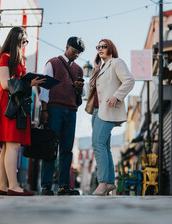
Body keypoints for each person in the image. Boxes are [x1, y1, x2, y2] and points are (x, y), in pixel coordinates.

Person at [0, 27, 45, 196]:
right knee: (12, 144)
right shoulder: (5, 57)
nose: (25, 44)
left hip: (16, 103)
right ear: (16, 40)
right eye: (23, 41)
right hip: (8, 103)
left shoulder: (18, 59)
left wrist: (30, 82)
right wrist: (29, 83)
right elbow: (5, 84)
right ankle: (13, 186)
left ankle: (3, 186)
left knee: (7, 146)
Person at [85, 39, 135, 196]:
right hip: (97, 110)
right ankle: (110, 183)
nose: (100, 49)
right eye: (98, 47)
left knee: (98, 143)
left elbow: (129, 80)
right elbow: (92, 86)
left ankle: (103, 183)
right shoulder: (102, 67)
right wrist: (96, 68)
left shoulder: (116, 62)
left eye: (103, 46)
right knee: (104, 146)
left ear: (111, 48)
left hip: (108, 109)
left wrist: (117, 96)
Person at [39, 37, 85, 196]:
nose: (76, 55)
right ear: (67, 47)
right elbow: (45, 88)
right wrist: (44, 111)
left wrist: (80, 88)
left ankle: (64, 186)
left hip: (71, 111)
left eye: (79, 53)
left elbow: (83, 95)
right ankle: (46, 186)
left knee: (67, 149)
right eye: (74, 51)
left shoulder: (79, 70)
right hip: (54, 109)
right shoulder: (53, 63)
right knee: (50, 148)